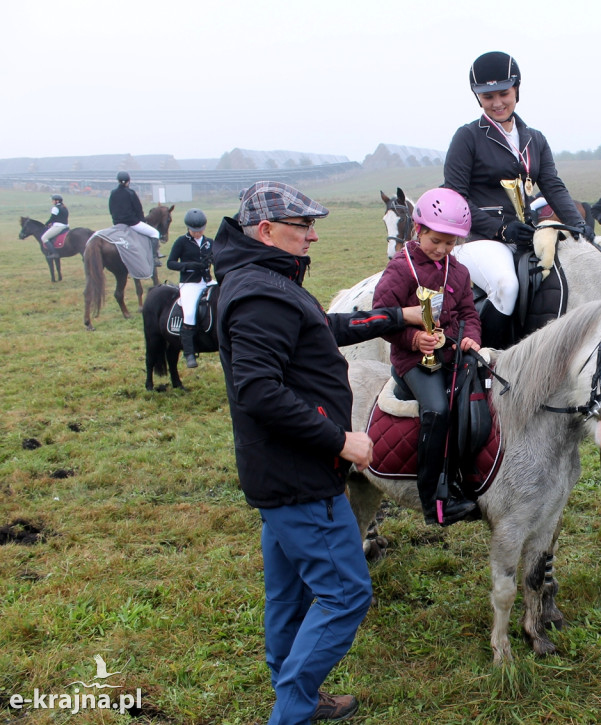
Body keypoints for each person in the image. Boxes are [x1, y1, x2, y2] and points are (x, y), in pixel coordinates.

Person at [214, 181, 425, 724]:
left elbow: (319, 329)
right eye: (302, 226)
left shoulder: (262, 279)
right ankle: (292, 710)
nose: (312, 235)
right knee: (346, 595)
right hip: (301, 476)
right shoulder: (261, 294)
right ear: (265, 231)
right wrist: (342, 440)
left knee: (288, 595)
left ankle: (298, 696)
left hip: (277, 475)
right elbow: (258, 391)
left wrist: (395, 319)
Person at [443, 50, 593, 347]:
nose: (497, 103)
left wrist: (579, 226)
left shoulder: (534, 139)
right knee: (507, 286)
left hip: (526, 234)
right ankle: (487, 359)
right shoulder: (468, 137)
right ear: (478, 99)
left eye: (504, 93)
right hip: (478, 240)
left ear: (517, 90)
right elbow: (455, 198)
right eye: (488, 97)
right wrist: (500, 229)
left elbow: (552, 185)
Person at [372, 188, 483, 526]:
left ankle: (473, 477)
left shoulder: (459, 272)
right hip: (412, 361)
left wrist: (471, 340)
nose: (442, 249)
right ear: (418, 230)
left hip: (451, 353)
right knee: (436, 409)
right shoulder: (400, 270)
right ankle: (433, 499)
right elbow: (381, 317)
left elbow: (469, 314)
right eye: (436, 240)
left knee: (481, 398)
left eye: (450, 243)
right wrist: (413, 338)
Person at [166, 208, 213, 369]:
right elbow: (171, 263)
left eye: (200, 231)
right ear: (188, 228)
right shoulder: (181, 242)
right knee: (190, 313)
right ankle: (189, 353)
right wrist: (187, 266)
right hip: (190, 283)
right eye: (194, 231)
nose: (198, 234)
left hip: (207, 281)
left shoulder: (209, 243)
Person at [108, 171, 163, 265]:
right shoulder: (131, 193)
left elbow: (111, 209)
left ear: (118, 181)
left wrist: (115, 221)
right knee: (155, 233)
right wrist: (143, 221)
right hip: (132, 223)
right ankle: (154, 258)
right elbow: (138, 209)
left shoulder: (113, 193)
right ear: (128, 181)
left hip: (117, 224)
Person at [39, 193, 69, 259]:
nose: (52, 201)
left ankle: (54, 253)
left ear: (57, 201)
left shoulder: (55, 208)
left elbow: (52, 218)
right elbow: (59, 218)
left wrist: (46, 224)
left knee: (44, 238)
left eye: (53, 200)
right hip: (66, 226)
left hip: (58, 227)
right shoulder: (64, 207)